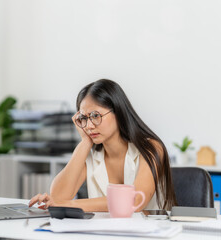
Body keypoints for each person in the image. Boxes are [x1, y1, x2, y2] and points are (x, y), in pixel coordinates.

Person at [29, 79, 176, 212]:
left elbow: (134, 201)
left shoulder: (151, 148)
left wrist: (70, 204)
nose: (89, 126)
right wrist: (85, 143)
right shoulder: (91, 156)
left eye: (95, 116)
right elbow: (58, 196)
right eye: (83, 118)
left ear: (118, 112)